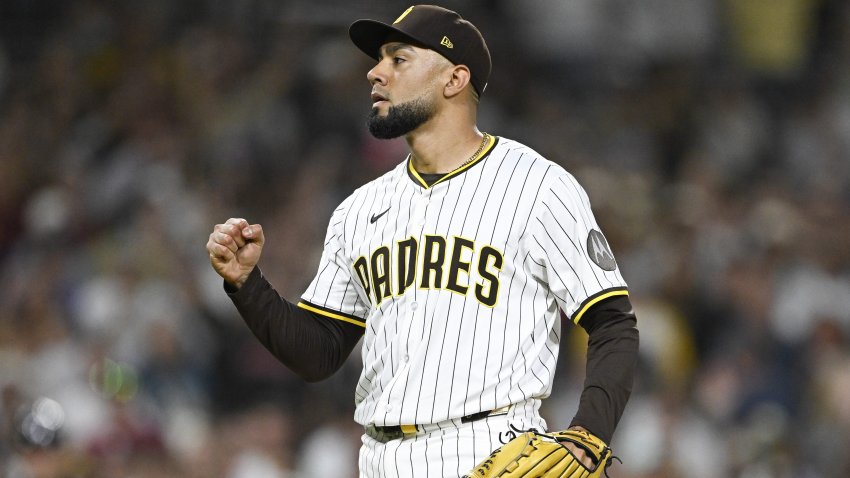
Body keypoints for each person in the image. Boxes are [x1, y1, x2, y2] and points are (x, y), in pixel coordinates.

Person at [206, 5, 639, 477]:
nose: (374, 72)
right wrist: (247, 285)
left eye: (398, 59)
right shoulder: (359, 209)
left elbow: (612, 321)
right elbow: (319, 351)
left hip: (489, 449)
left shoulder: (536, 186)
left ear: (454, 79)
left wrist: (588, 435)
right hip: (379, 458)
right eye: (379, 60)